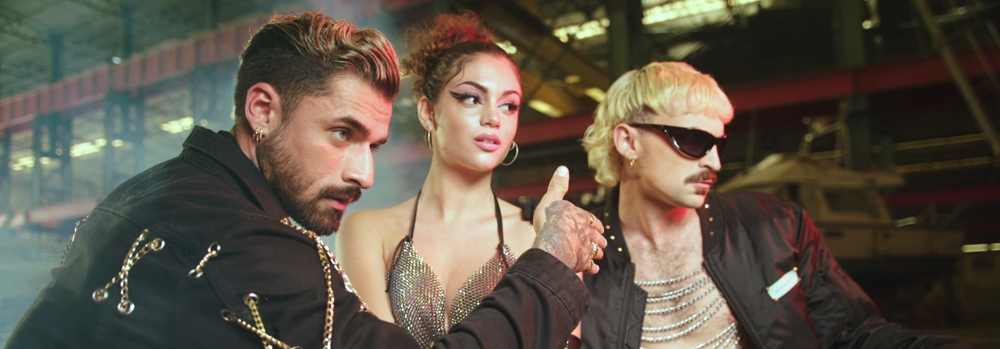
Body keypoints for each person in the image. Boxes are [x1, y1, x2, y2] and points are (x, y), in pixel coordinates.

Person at [5, 12, 607, 349]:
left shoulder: (151, 191)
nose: (364, 173)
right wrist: (551, 261)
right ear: (262, 110)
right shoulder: (249, 243)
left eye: (371, 144)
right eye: (341, 134)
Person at [578, 62, 968, 348]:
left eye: (718, 144)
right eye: (692, 140)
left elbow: (850, 335)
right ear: (628, 141)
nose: (713, 162)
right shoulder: (579, 260)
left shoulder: (776, 225)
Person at [335, 12, 552, 348]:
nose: (492, 118)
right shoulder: (366, 232)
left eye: (509, 105)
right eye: (470, 98)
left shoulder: (541, 238)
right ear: (428, 112)